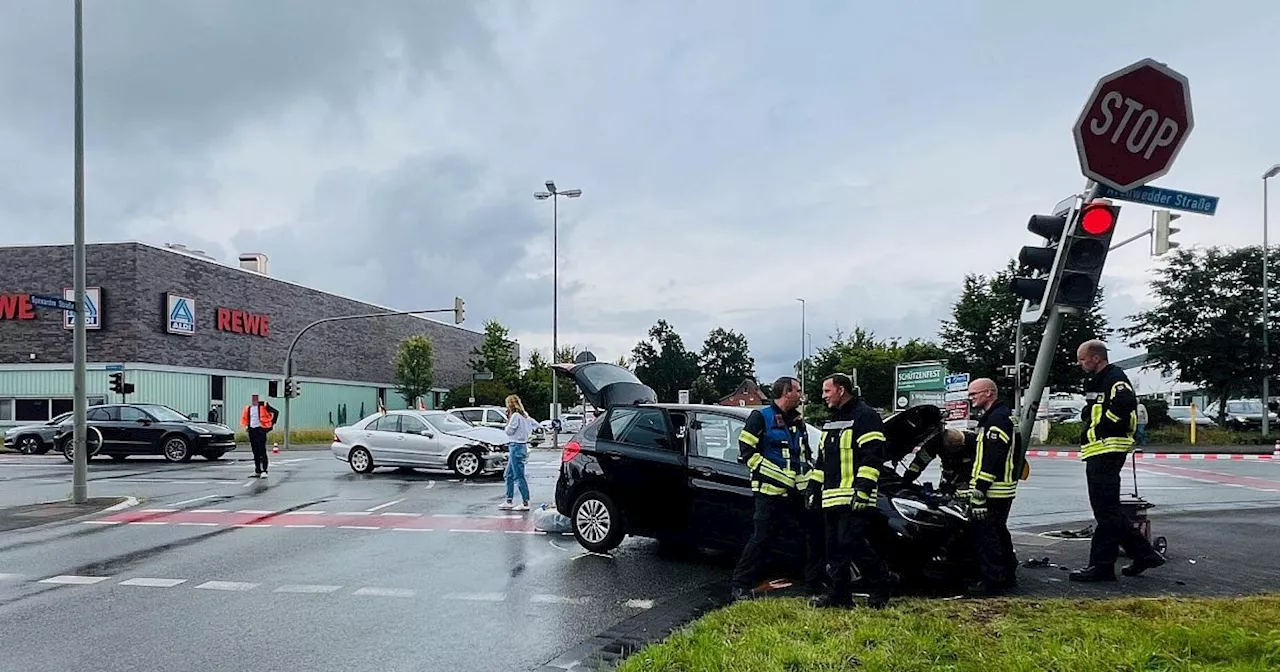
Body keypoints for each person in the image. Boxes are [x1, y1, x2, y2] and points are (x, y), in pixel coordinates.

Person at [1070, 339, 1166, 582]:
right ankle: (1145, 555)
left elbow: (1124, 405)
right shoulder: (1099, 380)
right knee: (1109, 511)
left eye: (1083, 359)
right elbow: (1093, 408)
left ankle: (1102, 567)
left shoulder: (1115, 379)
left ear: (1096, 358)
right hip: (1099, 450)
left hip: (1107, 449)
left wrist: (1104, 425)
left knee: (1105, 513)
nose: (1080, 364)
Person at [730, 377, 824, 600]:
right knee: (761, 539)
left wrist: (811, 485)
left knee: (814, 535)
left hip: (797, 494)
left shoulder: (797, 422)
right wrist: (782, 480)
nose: (801, 395)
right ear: (785, 392)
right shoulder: (760, 418)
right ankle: (740, 586)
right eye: (798, 391)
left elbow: (803, 457)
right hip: (770, 494)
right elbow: (747, 454)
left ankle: (815, 583)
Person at [811, 373, 894, 609]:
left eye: (827, 391)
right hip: (831, 497)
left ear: (841, 390)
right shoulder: (831, 420)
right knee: (834, 549)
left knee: (852, 545)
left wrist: (864, 488)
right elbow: (822, 462)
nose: (823, 396)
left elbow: (873, 455)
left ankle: (882, 582)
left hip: (855, 496)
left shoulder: (866, 417)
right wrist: (813, 488)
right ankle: (839, 596)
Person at [962, 377, 1023, 596]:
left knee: (986, 537)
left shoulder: (996, 420)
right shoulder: (1000, 416)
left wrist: (979, 489)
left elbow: (992, 457)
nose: (971, 398)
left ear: (989, 393)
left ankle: (991, 581)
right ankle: (1007, 573)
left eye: (974, 394)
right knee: (998, 532)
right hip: (1001, 488)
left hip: (993, 490)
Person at [901, 427, 973, 497]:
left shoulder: (972, 441)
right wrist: (907, 480)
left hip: (969, 474)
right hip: (949, 472)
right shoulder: (934, 443)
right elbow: (919, 462)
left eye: (960, 446)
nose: (958, 449)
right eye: (955, 447)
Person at [499, 394, 536, 511]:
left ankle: (525, 502)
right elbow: (532, 427)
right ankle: (508, 499)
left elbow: (509, 431)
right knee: (508, 474)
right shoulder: (525, 416)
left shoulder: (515, 416)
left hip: (515, 446)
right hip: (521, 445)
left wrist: (507, 421)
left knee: (519, 476)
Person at [240, 394, 275, 478]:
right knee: (255, 451)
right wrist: (247, 427)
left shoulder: (264, 406)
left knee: (262, 451)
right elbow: (246, 418)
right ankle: (257, 470)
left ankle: (264, 470)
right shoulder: (248, 408)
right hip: (252, 430)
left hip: (261, 430)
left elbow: (275, 412)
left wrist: (271, 424)